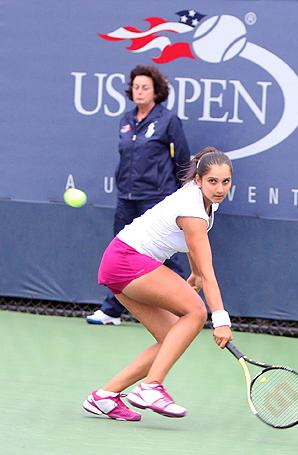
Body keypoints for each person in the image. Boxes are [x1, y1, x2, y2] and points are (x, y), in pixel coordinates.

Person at [82, 147, 233, 421]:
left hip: (120, 261)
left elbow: (195, 252)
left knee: (170, 336)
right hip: (128, 259)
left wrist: (195, 273)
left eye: (225, 181)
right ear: (198, 180)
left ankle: (104, 397)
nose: (220, 188)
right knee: (196, 312)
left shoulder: (206, 202)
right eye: (212, 181)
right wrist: (221, 319)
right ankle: (151, 387)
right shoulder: (193, 210)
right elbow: (209, 269)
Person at [86, 65, 190, 326]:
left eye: (145, 87)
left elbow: (183, 161)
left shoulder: (168, 120)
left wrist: (178, 198)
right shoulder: (125, 120)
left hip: (157, 198)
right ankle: (112, 311)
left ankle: (186, 309)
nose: (139, 91)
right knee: (120, 255)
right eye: (136, 87)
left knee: (166, 256)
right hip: (126, 198)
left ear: (156, 92)